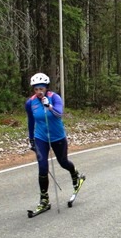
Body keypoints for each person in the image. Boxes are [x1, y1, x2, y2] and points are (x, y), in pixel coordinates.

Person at [25, 72, 83, 211]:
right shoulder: (30, 103)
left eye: (41, 88)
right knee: (43, 167)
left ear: (46, 88)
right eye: (36, 89)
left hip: (57, 137)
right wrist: (31, 139)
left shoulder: (54, 97)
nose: (39, 92)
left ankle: (75, 174)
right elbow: (31, 121)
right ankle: (44, 200)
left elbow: (59, 114)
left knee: (63, 162)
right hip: (41, 137)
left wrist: (49, 106)